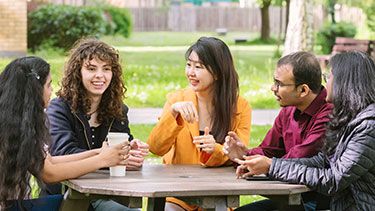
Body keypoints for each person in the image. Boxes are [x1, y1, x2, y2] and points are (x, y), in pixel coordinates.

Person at [235, 51, 375, 211]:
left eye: (329, 77)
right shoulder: (348, 116)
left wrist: (272, 167)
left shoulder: (368, 125)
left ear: (345, 83)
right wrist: (267, 165)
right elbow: (321, 161)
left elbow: (334, 180)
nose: (325, 82)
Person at [0, 56, 129, 210]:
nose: (51, 91)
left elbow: (52, 161)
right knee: (83, 205)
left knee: (81, 204)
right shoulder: (17, 126)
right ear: (35, 90)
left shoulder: (15, 120)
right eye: (49, 85)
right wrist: (102, 160)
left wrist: (98, 153)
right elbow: (50, 174)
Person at [147, 37, 251, 210]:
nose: (191, 72)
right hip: (178, 194)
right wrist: (173, 113)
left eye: (198, 67)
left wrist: (216, 150)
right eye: (189, 65)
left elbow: (240, 155)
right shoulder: (176, 100)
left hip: (219, 194)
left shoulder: (240, 106)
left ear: (217, 73)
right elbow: (156, 148)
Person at [46, 39, 148, 210]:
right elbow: (63, 153)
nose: (100, 75)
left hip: (111, 193)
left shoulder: (118, 110)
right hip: (70, 196)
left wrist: (131, 152)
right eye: (91, 69)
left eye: (106, 69)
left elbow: (121, 152)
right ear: (78, 73)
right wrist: (109, 159)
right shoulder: (60, 108)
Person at [223, 51, 333, 210]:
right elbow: (269, 150)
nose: (272, 88)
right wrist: (244, 155)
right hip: (289, 195)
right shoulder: (288, 111)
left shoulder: (328, 114)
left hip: (317, 201)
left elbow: (299, 157)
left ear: (303, 90)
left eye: (279, 84)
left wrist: (264, 164)